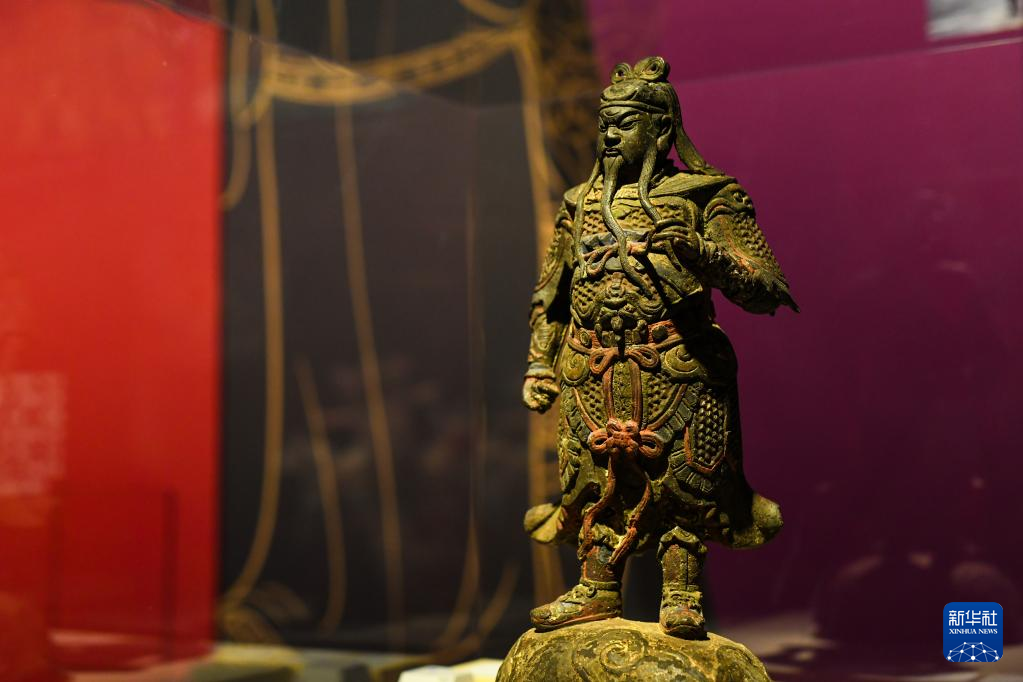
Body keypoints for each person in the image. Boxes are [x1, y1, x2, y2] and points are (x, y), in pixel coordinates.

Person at [520, 56, 796, 639]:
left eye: (625, 123)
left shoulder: (708, 195)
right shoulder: (579, 204)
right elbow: (551, 295)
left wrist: (703, 253)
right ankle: (596, 586)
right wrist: (539, 363)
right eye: (606, 123)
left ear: (661, 126)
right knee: (592, 476)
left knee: (684, 479)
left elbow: (767, 290)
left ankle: (682, 592)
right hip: (590, 364)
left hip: (678, 362)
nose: (610, 135)